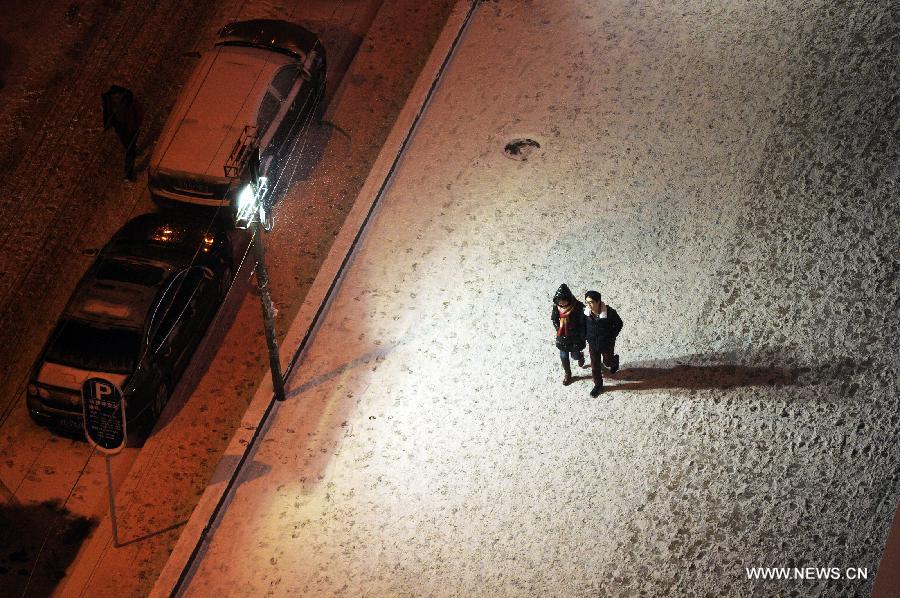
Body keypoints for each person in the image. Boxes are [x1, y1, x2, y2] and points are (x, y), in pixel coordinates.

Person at [583, 290, 623, 397]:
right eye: (587, 302)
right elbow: (582, 325)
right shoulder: (586, 313)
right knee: (595, 366)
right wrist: (586, 336)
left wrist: (611, 336)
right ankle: (598, 385)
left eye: (591, 302)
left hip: (606, 344)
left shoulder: (609, 313)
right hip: (593, 344)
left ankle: (614, 361)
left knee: (607, 362)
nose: (588, 305)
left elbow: (619, 323)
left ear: (598, 302)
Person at [102, 85, 143, 181]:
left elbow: (138, 111)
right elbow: (107, 112)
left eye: (118, 96)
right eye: (115, 97)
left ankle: (129, 174)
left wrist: (137, 124)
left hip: (132, 127)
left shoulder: (130, 100)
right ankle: (132, 153)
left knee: (130, 150)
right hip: (121, 128)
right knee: (129, 147)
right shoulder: (109, 101)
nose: (116, 99)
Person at [551, 284, 586, 386]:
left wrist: (580, 333)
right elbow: (554, 319)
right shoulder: (557, 307)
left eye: (563, 301)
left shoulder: (578, 306)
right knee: (563, 355)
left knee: (575, 355)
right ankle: (568, 373)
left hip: (575, 336)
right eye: (559, 302)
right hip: (562, 336)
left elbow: (582, 322)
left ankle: (580, 357)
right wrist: (559, 328)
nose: (561, 304)